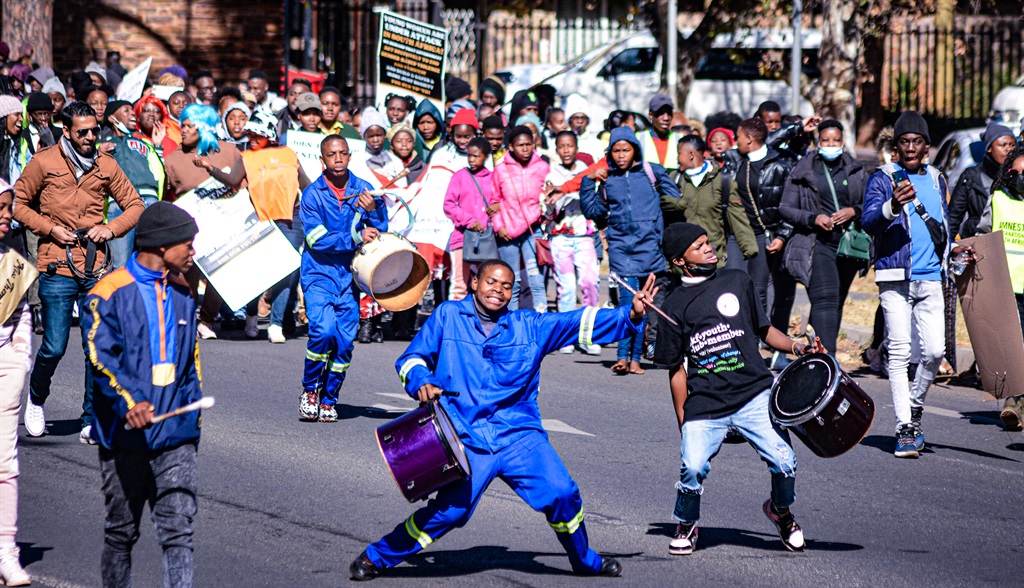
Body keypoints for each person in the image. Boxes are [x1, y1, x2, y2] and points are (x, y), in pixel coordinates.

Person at [349, 260, 658, 581]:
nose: (498, 290)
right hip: (464, 438)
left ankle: (585, 560)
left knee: (562, 493)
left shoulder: (529, 326)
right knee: (450, 514)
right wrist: (420, 380)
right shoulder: (448, 316)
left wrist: (631, 315)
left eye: (506, 286)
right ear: (474, 283)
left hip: (519, 437)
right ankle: (377, 557)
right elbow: (411, 358)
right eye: (491, 282)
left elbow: (577, 321)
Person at [653, 222, 824, 556]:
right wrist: (683, 416)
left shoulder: (737, 280)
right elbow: (675, 370)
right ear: (679, 261)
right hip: (705, 403)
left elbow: (765, 330)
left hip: (754, 393)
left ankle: (781, 512)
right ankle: (687, 523)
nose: (708, 248)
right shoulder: (672, 307)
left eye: (707, 241)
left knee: (784, 461)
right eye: (698, 246)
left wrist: (797, 348)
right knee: (692, 466)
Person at [83, 202, 203, 588]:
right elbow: (101, 360)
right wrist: (131, 404)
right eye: (187, 242)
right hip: (124, 437)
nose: (192, 251)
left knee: (178, 534)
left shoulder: (185, 290)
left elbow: (191, 364)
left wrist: (189, 423)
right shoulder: (109, 292)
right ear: (161, 244)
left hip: (176, 436)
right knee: (121, 534)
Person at [13, 101, 144, 444]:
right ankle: (37, 398)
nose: (89, 137)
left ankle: (90, 418)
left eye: (93, 130)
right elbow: (17, 204)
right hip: (56, 264)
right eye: (82, 131)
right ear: (66, 130)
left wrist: (111, 229)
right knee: (54, 346)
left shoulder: (106, 164)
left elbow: (135, 205)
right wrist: (50, 228)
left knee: (95, 346)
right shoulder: (44, 161)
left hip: (95, 266)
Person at [863, 110, 961, 458]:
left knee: (935, 352)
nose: (909, 147)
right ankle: (904, 426)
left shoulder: (937, 179)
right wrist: (892, 205)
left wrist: (953, 254)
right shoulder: (883, 178)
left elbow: (943, 226)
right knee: (901, 350)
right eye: (903, 142)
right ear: (896, 147)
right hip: (895, 276)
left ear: (926, 147)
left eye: (916, 142)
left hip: (931, 276)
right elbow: (869, 221)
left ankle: (915, 407)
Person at [299, 135, 387, 422]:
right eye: (331, 154)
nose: (337, 158)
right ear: (322, 160)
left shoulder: (364, 189)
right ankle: (310, 389)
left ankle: (329, 398)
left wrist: (374, 210)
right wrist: (354, 236)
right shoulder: (312, 194)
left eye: (342, 153)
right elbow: (316, 239)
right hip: (319, 274)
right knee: (323, 331)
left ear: (350, 156)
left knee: (345, 342)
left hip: (350, 278)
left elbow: (381, 229)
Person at [581, 126, 678, 375]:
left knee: (644, 304)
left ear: (635, 149)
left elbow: (675, 200)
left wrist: (658, 228)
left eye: (626, 149)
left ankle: (636, 359)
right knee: (628, 304)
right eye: (616, 150)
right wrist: (587, 181)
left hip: (650, 247)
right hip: (621, 249)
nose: (621, 155)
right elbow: (593, 212)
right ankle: (622, 357)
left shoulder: (651, 173)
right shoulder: (607, 180)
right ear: (610, 153)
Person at [779, 119, 869, 354]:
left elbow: (870, 203)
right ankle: (828, 360)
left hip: (848, 245)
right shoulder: (803, 170)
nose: (831, 144)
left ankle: (818, 353)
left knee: (835, 301)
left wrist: (854, 211)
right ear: (818, 141)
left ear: (843, 141)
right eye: (826, 140)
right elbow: (786, 208)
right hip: (816, 242)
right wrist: (813, 218)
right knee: (826, 298)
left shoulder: (856, 169)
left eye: (836, 140)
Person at [163, 103, 247, 339]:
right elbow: (167, 195)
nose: (184, 130)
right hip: (190, 226)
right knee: (187, 272)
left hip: (225, 222)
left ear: (205, 128)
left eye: (190, 126)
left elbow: (243, 183)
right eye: (182, 125)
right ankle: (186, 315)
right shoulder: (173, 159)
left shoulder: (229, 151)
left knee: (220, 271)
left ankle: (207, 320)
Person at [727, 117, 795, 369]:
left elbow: (788, 206)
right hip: (736, 234)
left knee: (758, 291)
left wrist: (781, 236)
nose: (735, 141)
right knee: (734, 285)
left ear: (749, 139)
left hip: (763, 236)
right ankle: (738, 343)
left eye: (738, 136)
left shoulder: (780, 166)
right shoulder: (734, 160)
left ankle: (755, 344)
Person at [241, 111, 311, 343]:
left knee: (286, 272)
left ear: (269, 134)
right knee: (256, 272)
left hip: (292, 218)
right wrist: (212, 170)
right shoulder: (246, 157)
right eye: (249, 133)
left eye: (256, 133)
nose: (251, 137)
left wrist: (329, 194)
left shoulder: (289, 154)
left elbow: (306, 184)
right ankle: (251, 315)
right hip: (259, 220)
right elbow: (232, 182)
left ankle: (276, 325)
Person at [0, 179, 35, 587]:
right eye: (1, 208)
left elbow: (23, 309)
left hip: (7, 366)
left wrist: (19, 355)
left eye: (9, 207)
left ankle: (7, 552)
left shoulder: (13, 257)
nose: (6, 215)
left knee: (5, 464)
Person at [975, 147, 1024, 430]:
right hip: (1005, 286)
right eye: (1014, 173)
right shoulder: (998, 200)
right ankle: (1012, 403)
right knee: (1012, 348)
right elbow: (982, 234)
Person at [543, 131, 601, 355]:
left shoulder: (587, 172)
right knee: (566, 288)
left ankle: (588, 335)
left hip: (584, 235)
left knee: (590, 283)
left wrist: (569, 191)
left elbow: (592, 197)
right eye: (561, 146)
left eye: (570, 146)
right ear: (556, 150)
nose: (566, 150)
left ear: (577, 148)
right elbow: (548, 206)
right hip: (561, 237)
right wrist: (553, 199)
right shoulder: (551, 174)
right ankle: (565, 336)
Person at [664, 134, 757, 269]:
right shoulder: (674, 179)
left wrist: (749, 247)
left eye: (679, 154)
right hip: (682, 260)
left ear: (691, 154)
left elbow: (738, 216)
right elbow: (662, 203)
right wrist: (676, 203)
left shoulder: (722, 181)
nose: (677, 159)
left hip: (713, 258)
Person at [490, 125, 550, 312]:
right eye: (520, 145)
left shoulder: (543, 167)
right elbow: (494, 200)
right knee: (511, 282)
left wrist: (546, 211)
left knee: (536, 281)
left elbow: (549, 196)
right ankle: (512, 324)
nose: (525, 148)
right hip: (508, 232)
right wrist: (499, 226)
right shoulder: (500, 170)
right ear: (510, 147)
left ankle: (542, 324)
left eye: (528, 144)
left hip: (533, 229)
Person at [100, 100, 164, 268]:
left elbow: (159, 172)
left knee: (154, 258)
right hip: (120, 204)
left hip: (149, 201)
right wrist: (97, 154)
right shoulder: (101, 146)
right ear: (113, 118)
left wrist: (158, 147)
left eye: (132, 111)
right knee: (120, 263)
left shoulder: (146, 143)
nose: (132, 114)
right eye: (126, 110)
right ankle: (123, 293)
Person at [443, 137, 492, 301]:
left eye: (476, 156)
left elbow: (499, 204)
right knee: (459, 285)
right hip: (462, 238)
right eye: (469, 155)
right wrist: (469, 221)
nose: (471, 159)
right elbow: (449, 205)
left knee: (485, 284)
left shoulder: (493, 178)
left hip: (486, 240)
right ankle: (454, 324)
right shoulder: (460, 176)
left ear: (486, 156)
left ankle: (481, 323)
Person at [949, 123, 1016, 239]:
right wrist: (950, 248)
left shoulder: (1018, 175)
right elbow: (953, 218)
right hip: (979, 243)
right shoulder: (971, 177)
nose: (1009, 149)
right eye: (1003, 145)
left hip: (1012, 242)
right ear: (989, 148)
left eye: (1012, 145)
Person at [638, 94, 682, 171]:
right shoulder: (638, 138)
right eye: (661, 113)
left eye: (669, 113)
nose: (666, 118)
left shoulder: (680, 139)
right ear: (651, 115)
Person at [563, 94, 602, 164]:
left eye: (583, 118)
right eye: (576, 118)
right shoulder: (562, 140)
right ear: (569, 120)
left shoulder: (596, 144)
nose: (580, 121)